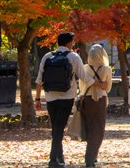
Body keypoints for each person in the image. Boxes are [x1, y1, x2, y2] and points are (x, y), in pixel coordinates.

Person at [35, 32, 103, 168]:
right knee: (59, 127)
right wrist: (100, 84)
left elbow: (39, 79)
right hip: (66, 97)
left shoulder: (47, 56)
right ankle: (53, 160)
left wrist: (37, 99)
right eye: (72, 42)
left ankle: (58, 158)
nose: (73, 44)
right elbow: (84, 78)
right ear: (68, 43)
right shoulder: (74, 57)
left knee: (56, 126)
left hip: (50, 96)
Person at [80, 44, 112, 167]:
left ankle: (91, 156)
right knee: (98, 129)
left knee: (89, 128)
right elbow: (107, 88)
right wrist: (100, 84)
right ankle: (91, 157)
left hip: (87, 100)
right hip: (100, 100)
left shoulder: (84, 68)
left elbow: (82, 87)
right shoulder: (106, 69)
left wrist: (93, 84)